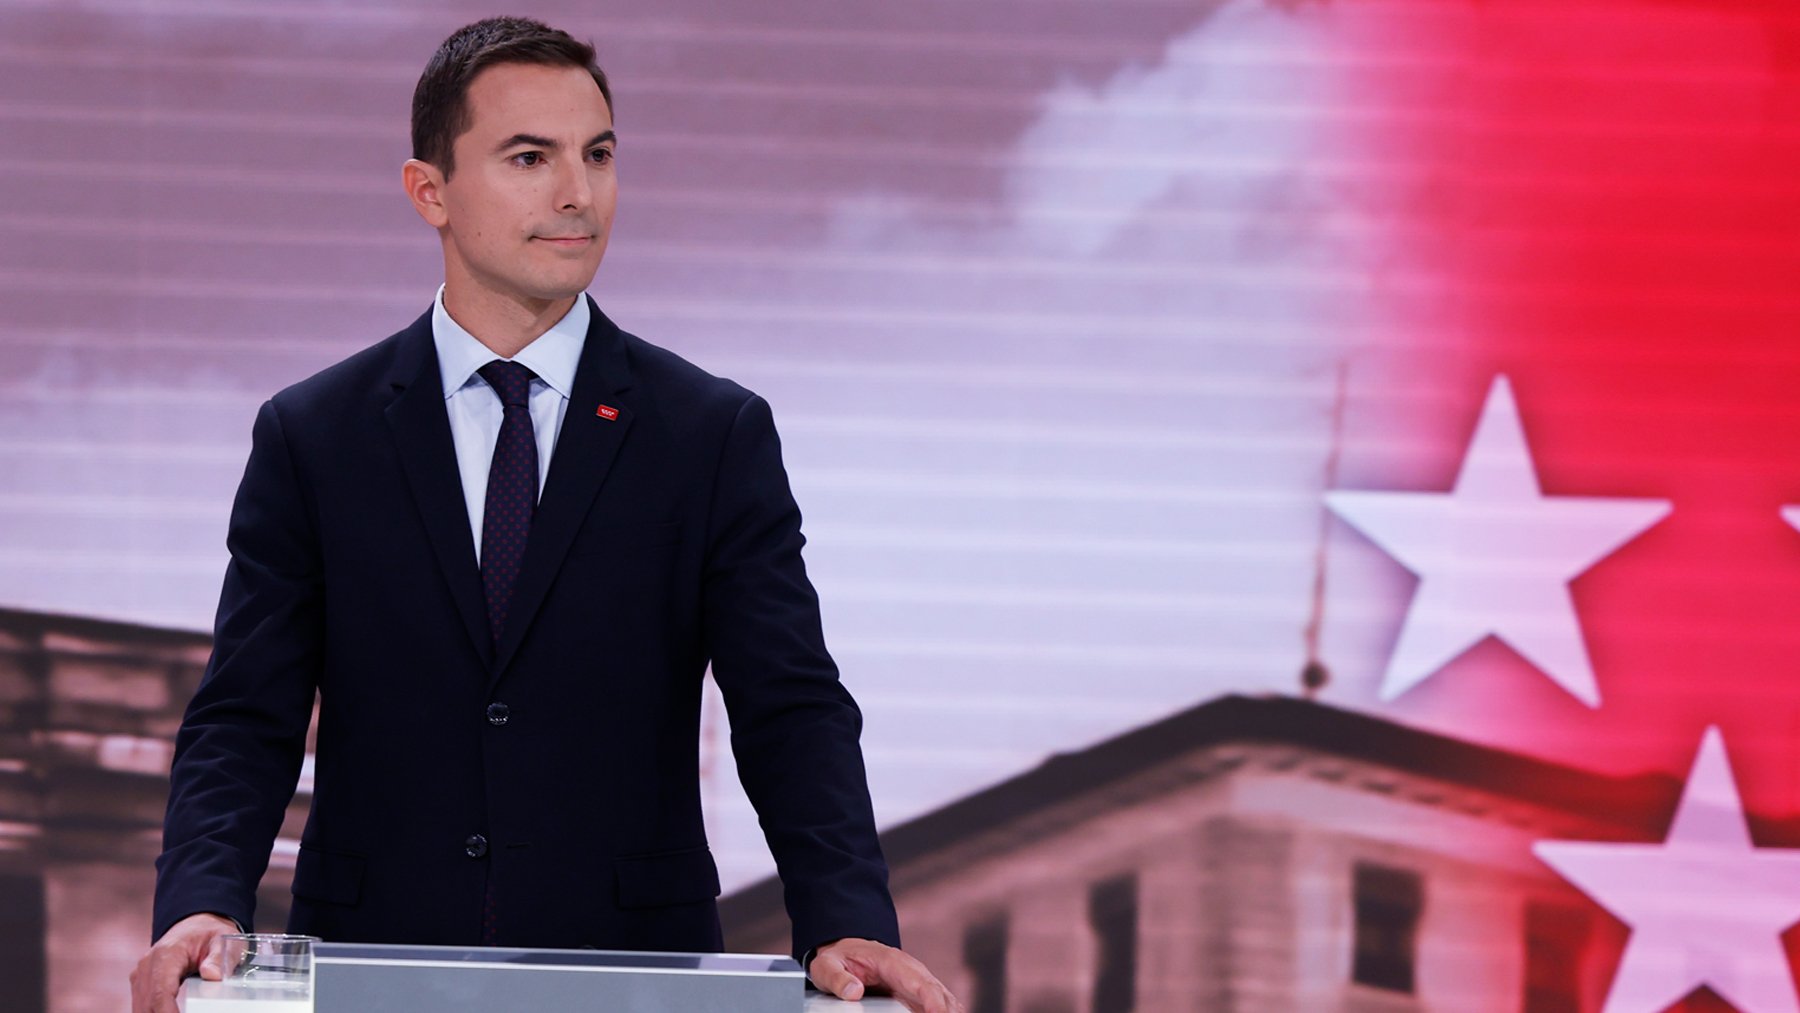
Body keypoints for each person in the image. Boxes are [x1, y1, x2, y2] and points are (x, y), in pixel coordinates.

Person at [128, 16, 960, 1013]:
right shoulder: (315, 435)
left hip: (634, 972)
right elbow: (245, 714)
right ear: (428, 191)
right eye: (531, 157)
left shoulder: (709, 434)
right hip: (375, 967)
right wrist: (201, 900)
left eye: (598, 155)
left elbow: (789, 706)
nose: (579, 194)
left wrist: (843, 912)